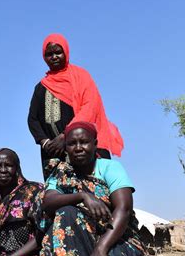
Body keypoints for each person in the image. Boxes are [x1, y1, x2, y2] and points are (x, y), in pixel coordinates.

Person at [38, 121, 148, 256]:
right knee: (67, 213)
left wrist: (101, 249)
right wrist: (82, 196)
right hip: (80, 240)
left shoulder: (109, 168)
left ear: (95, 144)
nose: (78, 148)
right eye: (72, 143)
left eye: (84, 142)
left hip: (115, 237)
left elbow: (124, 209)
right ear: (66, 147)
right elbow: (48, 202)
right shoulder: (60, 173)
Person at [27, 33, 124, 180]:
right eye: (49, 54)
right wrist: (45, 142)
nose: (54, 57)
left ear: (66, 52)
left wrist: (66, 136)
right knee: (59, 193)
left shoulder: (80, 76)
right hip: (53, 152)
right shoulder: (41, 87)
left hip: (81, 146)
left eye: (58, 52)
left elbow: (90, 106)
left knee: (93, 188)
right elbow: (33, 119)